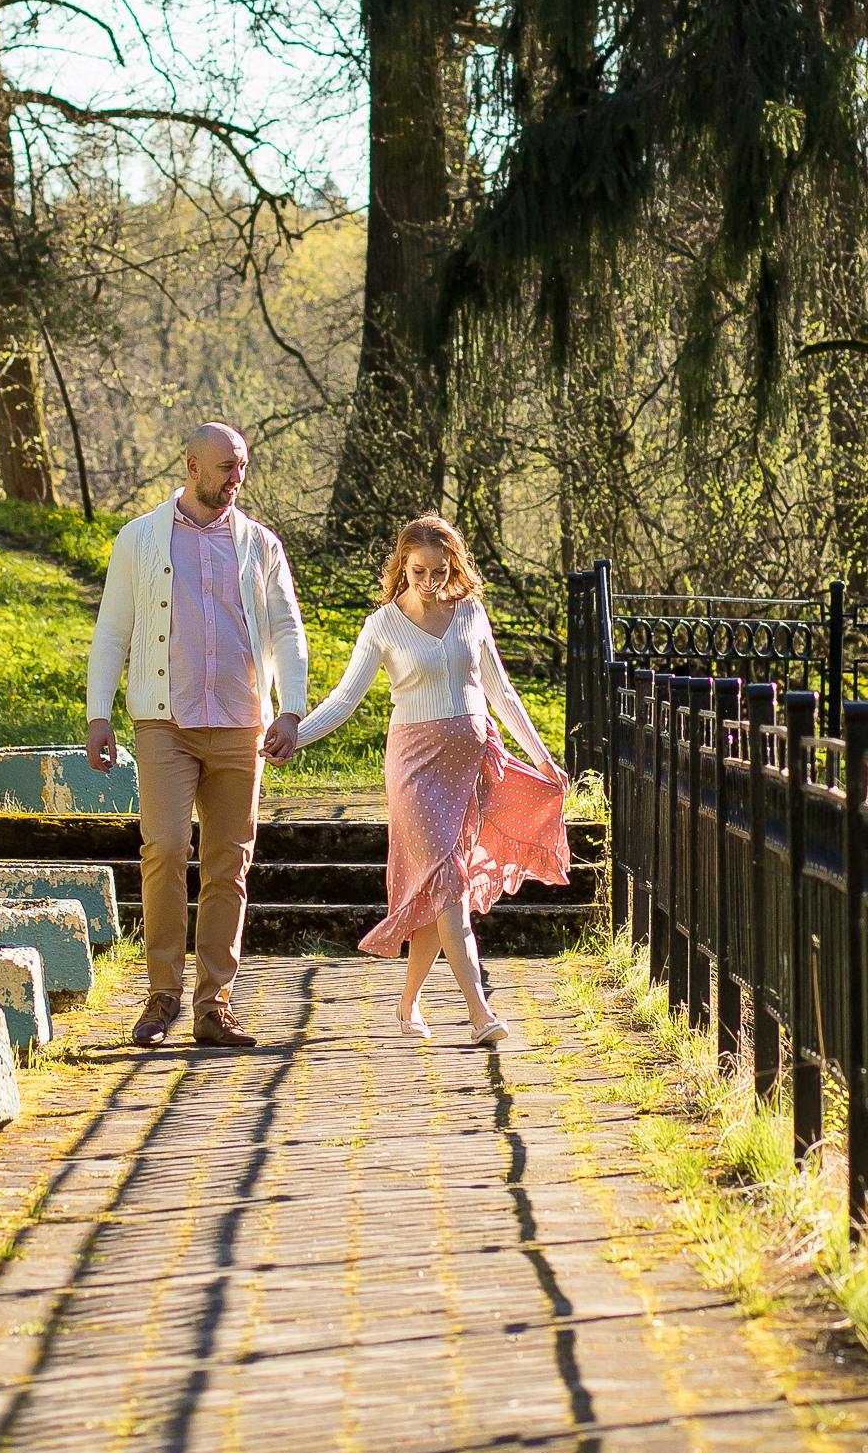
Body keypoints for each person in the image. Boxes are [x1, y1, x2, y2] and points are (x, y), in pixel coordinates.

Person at [294, 513, 568, 1044]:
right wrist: (295, 736)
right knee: (448, 882)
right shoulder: (383, 625)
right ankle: (479, 1012)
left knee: (436, 889)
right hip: (415, 769)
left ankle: (407, 1004)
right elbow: (346, 699)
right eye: (418, 570)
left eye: (439, 570)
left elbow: (502, 693)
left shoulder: (471, 613)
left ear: (453, 566)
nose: (429, 580)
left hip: (469, 768)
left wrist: (540, 756)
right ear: (402, 566)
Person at [85, 421, 308, 1050]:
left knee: (228, 863)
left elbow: (288, 631)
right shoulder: (141, 540)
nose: (237, 478)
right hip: (165, 722)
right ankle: (161, 997)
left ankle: (216, 1005)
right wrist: (98, 712)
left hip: (241, 721)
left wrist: (290, 709)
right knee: (162, 848)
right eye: (226, 467)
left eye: (242, 466)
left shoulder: (261, 545)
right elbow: (112, 631)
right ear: (191, 466)